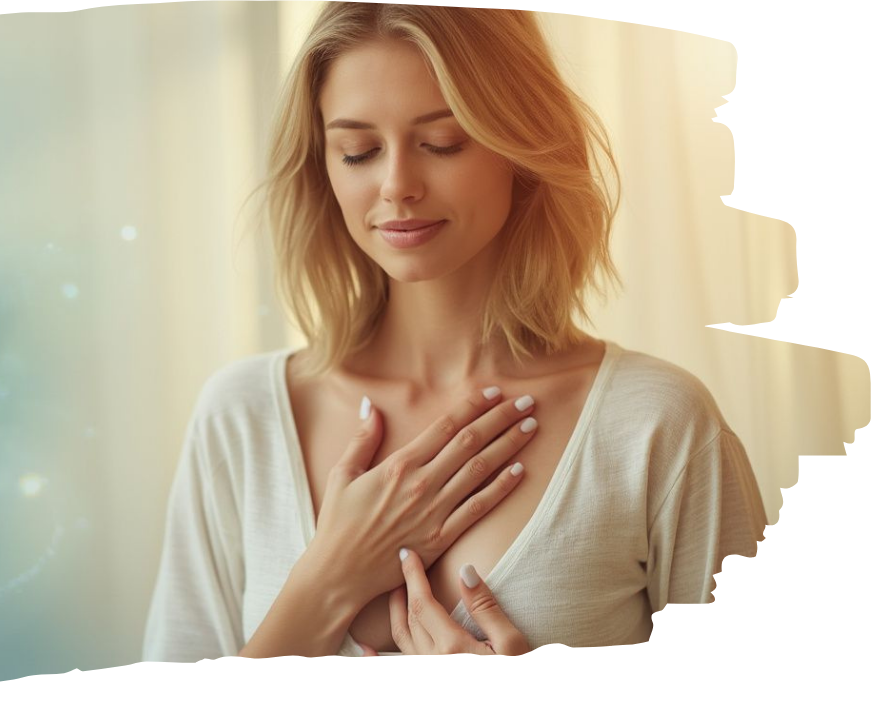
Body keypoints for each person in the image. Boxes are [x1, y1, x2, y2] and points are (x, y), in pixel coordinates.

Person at [142, 4, 767, 659]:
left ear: (521, 145)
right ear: (322, 167)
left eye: (443, 142)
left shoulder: (655, 426)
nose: (397, 185)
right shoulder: (241, 417)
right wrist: (325, 582)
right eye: (358, 151)